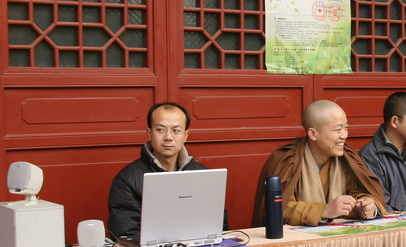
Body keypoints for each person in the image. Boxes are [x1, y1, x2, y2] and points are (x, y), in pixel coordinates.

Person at [252, 100, 387, 227]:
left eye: (346, 128)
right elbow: (278, 209)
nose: (344, 135)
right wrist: (324, 210)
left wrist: (365, 204)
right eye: (337, 130)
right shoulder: (287, 160)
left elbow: (358, 193)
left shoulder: (346, 158)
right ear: (313, 134)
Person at [108, 101, 224, 238]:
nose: (168, 137)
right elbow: (126, 234)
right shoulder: (127, 179)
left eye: (176, 131)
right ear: (149, 133)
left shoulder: (204, 176)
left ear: (185, 135)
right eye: (160, 129)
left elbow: (219, 226)